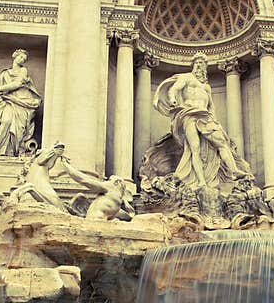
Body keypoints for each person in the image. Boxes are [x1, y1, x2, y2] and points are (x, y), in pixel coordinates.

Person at [153, 52, 250, 189]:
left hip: (205, 117)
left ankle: (234, 171)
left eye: (202, 64)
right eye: (197, 63)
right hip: (189, 114)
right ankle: (201, 182)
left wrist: (215, 122)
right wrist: (173, 99)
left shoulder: (206, 87)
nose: (200, 66)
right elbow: (174, 89)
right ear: (193, 65)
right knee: (195, 148)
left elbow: (211, 106)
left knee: (222, 143)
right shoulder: (186, 78)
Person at [0, 48, 42, 157]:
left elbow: (17, 84)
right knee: (5, 121)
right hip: (6, 101)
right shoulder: (5, 73)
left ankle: (12, 152)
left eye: (24, 59)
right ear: (15, 56)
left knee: (18, 128)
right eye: (21, 57)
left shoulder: (23, 71)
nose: (22, 60)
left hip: (22, 102)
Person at [60, 157, 135, 221]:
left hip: (94, 221)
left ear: (117, 182)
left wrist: (65, 165)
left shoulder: (111, 188)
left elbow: (84, 180)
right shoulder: (117, 203)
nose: (105, 182)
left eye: (109, 180)